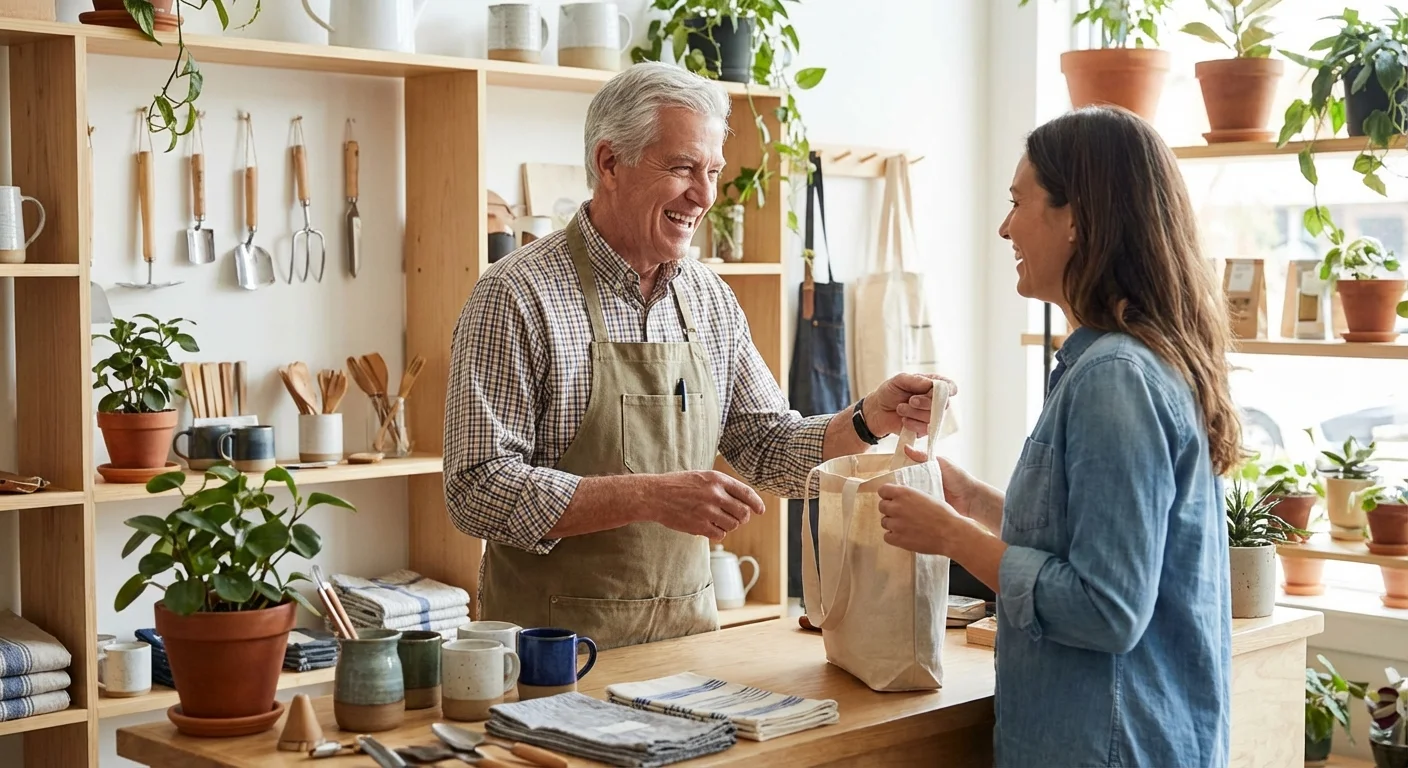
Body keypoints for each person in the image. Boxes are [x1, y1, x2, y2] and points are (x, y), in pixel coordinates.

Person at [443, 62, 945, 652]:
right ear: (609, 164)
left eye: (711, 171)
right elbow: (476, 489)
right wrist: (650, 496)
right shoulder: (515, 294)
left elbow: (767, 447)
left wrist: (866, 420)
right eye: (682, 168)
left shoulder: (711, 300)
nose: (704, 195)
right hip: (551, 659)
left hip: (689, 647)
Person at [875, 106, 1238, 767]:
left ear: (1076, 219)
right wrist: (970, 500)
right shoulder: (1115, 364)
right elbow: (1087, 539)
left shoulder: (1115, 379)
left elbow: (1107, 608)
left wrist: (953, 539)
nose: (1004, 226)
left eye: (1019, 202)